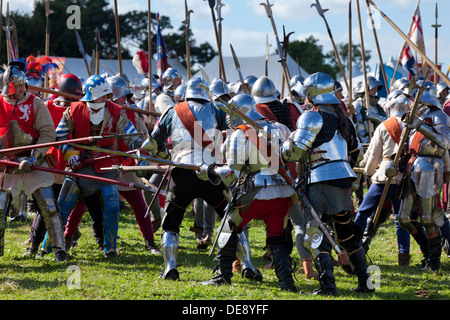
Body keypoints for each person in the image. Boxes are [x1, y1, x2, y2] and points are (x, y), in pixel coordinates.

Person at [150, 76, 260, 281]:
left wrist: (164, 153)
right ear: (206, 93)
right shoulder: (217, 110)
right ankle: (247, 265)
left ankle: (170, 268)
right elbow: (235, 135)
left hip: (181, 172)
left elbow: (152, 143)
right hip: (212, 173)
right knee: (233, 221)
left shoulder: (171, 111)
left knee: (171, 223)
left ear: (186, 92)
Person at [281, 72, 371, 295]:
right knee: (346, 232)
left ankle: (328, 286)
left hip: (319, 180)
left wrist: (285, 145)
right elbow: (356, 152)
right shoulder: (345, 118)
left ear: (311, 94)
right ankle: (366, 282)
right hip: (342, 180)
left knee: (315, 232)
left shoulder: (312, 117)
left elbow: (294, 154)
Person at [202, 93, 298, 292]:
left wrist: (209, 170)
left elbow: (231, 174)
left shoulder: (241, 132)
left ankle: (223, 276)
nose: (228, 117)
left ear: (239, 112)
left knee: (228, 228)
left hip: (257, 191)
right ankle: (286, 283)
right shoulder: (278, 127)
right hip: (283, 191)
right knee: (276, 238)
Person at [55, 74, 152, 258]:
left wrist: (140, 146)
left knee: (113, 205)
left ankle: (110, 248)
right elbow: (60, 136)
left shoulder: (116, 110)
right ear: (91, 96)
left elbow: (129, 133)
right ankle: (54, 246)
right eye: (101, 96)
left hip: (106, 164)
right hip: (79, 165)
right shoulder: (74, 110)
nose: (105, 99)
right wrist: (71, 156)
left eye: (106, 95)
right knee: (63, 206)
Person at [0, 60, 66, 261]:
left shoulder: (36, 103)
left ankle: (59, 250)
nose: (19, 89)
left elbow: (47, 134)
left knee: (49, 206)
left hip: (33, 160)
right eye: (15, 86)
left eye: (20, 85)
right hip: (6, 163)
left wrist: (34, 156)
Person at [354, 90, 412, 265]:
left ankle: (354, 247)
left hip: (385, 177)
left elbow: (373, 157)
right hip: (405, 177)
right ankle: (403, 256)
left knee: (363, 211)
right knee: (400, 218)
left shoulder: (384, 126)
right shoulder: (413, 125)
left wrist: (368, 172)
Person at [396, 90, 450, 272]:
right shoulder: (416, 117)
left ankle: (433, 263)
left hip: (429, 166)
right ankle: (427, 252)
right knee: (403, 218)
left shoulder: (438, 116)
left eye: (412, 99)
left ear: (424, 101)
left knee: (428, 219)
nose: (410, 103)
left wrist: (419, 125)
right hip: (412, 166)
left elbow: (445, 142)